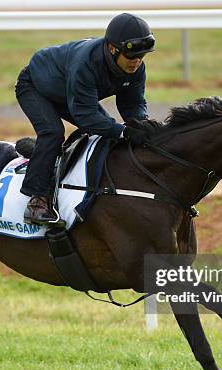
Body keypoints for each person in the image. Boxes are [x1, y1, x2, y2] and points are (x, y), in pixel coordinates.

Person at [15, 12, 158, 226]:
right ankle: (37, 202)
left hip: (70, 92)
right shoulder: (86, 62)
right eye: (131, 56)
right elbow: (86, 115)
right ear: (112, 49)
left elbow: (132, 104)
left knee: (108, 131)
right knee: (53, 132)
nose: (136, 61)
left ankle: (48, 157)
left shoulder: (136, 68)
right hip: (35, 86)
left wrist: (141, 125)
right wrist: (123, 131)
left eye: (142, 56)